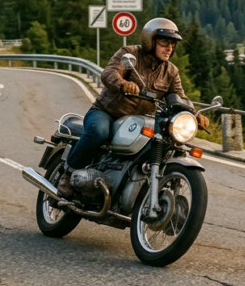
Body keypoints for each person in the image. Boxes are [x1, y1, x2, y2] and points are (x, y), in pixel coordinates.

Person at [58, 17, 208, 197]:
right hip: (107, 112)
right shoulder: (130, 54)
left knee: (161, 145)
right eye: (164, 42)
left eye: (173, 44)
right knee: (99, 132)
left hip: (138, 121)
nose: (169, 48)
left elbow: (178, 97)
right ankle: (68, 173)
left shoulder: (171, 71)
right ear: (150, 40)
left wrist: (193, 113)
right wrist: (122, 83)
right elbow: (109, 73)